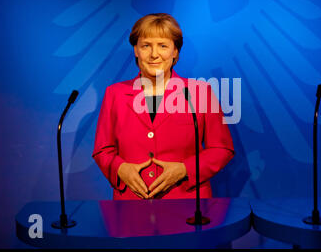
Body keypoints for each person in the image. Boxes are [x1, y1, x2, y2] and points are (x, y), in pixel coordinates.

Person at [92, 13, 234, 200]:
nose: (154, 54)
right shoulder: (114, 94)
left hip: (187, 203)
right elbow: (103, 150)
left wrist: (185, 169)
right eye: (146, 46)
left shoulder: (200, 92)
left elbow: (222, 149)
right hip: (131, 203)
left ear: (175, 51)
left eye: (163, 46)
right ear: (136, 50)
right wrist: (121, 169)